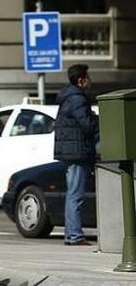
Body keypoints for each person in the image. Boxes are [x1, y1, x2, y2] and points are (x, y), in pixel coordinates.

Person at [54, 64, 99, 246]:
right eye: (88, 77)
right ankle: (74, 235)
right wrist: (99, 120)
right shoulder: (77, 98)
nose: (90, 80)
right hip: (77, 151)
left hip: (71, 150)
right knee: (76, 194)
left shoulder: (68, 96)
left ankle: (70, 234)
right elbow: (87, 124)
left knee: (72, 193)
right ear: (81, 79)